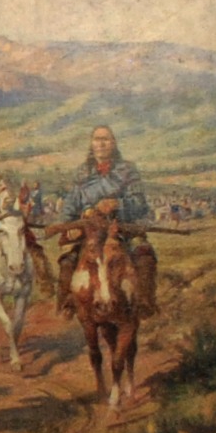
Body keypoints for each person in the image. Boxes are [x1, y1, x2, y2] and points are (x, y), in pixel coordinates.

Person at [62, 125, 157, 314]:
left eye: (106, 139)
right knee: (67, 260)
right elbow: (70, 206)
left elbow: (139, 203)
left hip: (122, 228)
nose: (101, 143)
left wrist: (118, 204)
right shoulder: (81, 172)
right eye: (97, 139)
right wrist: (69, 226)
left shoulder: (128, 170)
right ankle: (69, 301)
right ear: (91, 144)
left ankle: (144, 303)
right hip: (90, 230)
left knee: (144, 255)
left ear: (113, 143)